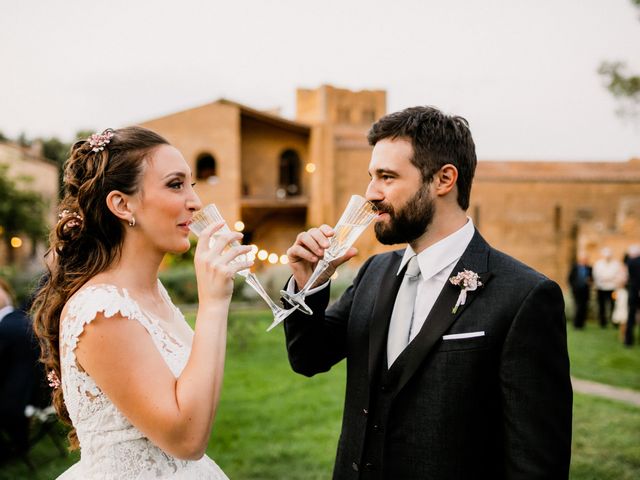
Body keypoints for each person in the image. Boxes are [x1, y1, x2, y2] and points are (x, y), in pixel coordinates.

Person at [282, 106, 572, 479]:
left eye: (387, 177)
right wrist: (310, 284)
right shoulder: (374, 273)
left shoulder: (525, 296)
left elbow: (536, 462)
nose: (370, 193)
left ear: (444, 179)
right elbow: (309, 357)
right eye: (371, 177)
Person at [32, 127, 252, 479]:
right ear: (122, 204)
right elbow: (186, 439)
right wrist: (213, 302)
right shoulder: (101, 312)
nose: (194, 202)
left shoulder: (152, 293)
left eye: (191, 185)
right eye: (175, 184)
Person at [0, 278, 42, 460]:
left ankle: (10, 451)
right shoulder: (19, 319)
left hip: (20, 400)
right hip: (34, 393)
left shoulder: (8, 327)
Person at [592, 247, 624, 328]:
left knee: (613, 305)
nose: (607, 257)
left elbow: (617, 274)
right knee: (601, 305)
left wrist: (610, 279)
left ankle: (614, 321)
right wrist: (605, 279)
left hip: (612, 288)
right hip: (601, 288)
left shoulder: (616, 264)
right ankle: (602, 322)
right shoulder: (598, 264)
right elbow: (596, 275)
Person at [568, 252, 592, 329]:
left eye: (586, 259)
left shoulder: (589, 268)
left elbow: (592, 278)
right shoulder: (575, 267)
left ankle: (582, 324)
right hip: (577, 290)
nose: (585, 260)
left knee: (584, 307)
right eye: (584, 259)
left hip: (585, 290)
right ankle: (576, 324)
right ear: (580, 260)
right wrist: (573, 287)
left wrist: (590, 281)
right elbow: (570, 278)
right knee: (578, 306)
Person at [624, 244, 640, 346]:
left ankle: (628, 340)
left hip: (633, 291)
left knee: (630, 316)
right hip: (635, 291)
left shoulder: (629, 262)